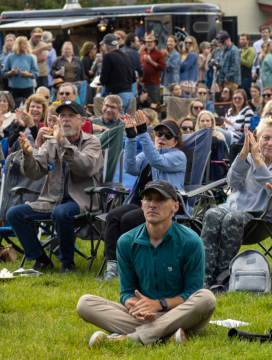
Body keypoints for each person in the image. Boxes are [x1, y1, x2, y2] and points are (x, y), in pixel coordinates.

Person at [78, 179, 216, 347]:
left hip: (181, 314)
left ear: (175, 206)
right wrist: (140, 307)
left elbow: (191, 294)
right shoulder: (126, 242)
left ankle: (132, 338)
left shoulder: (191, 241)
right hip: (144, 315)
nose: (153, 204)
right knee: (85, 303)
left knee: (206, 298)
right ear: (142, 205)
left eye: (160, 199)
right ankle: (168, 335)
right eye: (148, 199)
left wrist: (158, 305)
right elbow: (127, 293)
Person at [6, 100, 102, 273]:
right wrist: (28, 155)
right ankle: (42, 260)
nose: (65, 119)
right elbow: (34, 173)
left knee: (61, 212)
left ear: (82, 121)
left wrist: (63, 143)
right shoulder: (50, 144)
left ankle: (67, 263)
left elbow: (85, 168)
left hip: (81, 200)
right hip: (51, 200)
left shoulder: (92, 142)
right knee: (14, 213)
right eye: (62, 115)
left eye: (71, 116)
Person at [200, 118, 272, 288]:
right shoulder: (247, 157)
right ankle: (204, 278)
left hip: (261, 217)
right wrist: (244, 153)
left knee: (232, 218)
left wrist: (257, 159)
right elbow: (232, 183)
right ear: (257, 138)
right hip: (233, 208)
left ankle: (223, 278)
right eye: (266, 138)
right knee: (212, 213)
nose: (270, 143)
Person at [102, 116, 186, 280]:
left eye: (167, 136)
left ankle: (130, 266)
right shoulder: (148, 155)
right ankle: (112, 264)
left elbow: (158, 161)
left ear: (176, 142)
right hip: (141, 204)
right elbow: (130, 168)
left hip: (164, 207)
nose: (162, 138)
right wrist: (131, 138)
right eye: (159, 134)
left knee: (128, 219)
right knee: (113, 216)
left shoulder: (178, 156)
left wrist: (142, 132)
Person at [100, 34, 136, 114]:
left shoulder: (108, 56)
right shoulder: (127, 56)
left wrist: (100, 81)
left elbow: (103, 80)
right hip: (129, 95)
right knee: (122, 121)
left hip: (116, 95)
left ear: (106, 47)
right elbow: (134, 78)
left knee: (115, 123)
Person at [3, 36, 38, 105]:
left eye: (26, 44)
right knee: (14, 108)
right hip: (14, 89)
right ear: (18, 45)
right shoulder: (10, 57)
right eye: (24, 44)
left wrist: (28, 74)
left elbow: (36, 74)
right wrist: (11, 73)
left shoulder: (30, 57)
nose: (26, 46)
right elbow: (4, 74)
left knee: (28, 108)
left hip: (28, 88)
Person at [139, 34, 166, 105]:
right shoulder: (142, 53)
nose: (149, 43)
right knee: (143, 102)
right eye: (147, 42)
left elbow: (162, 67)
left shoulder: (159, 54)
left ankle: (155, 116)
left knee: (154, 102)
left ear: (155, 43)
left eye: (151, 42)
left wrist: (150, 61)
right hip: (143, 82)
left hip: (153, 83)